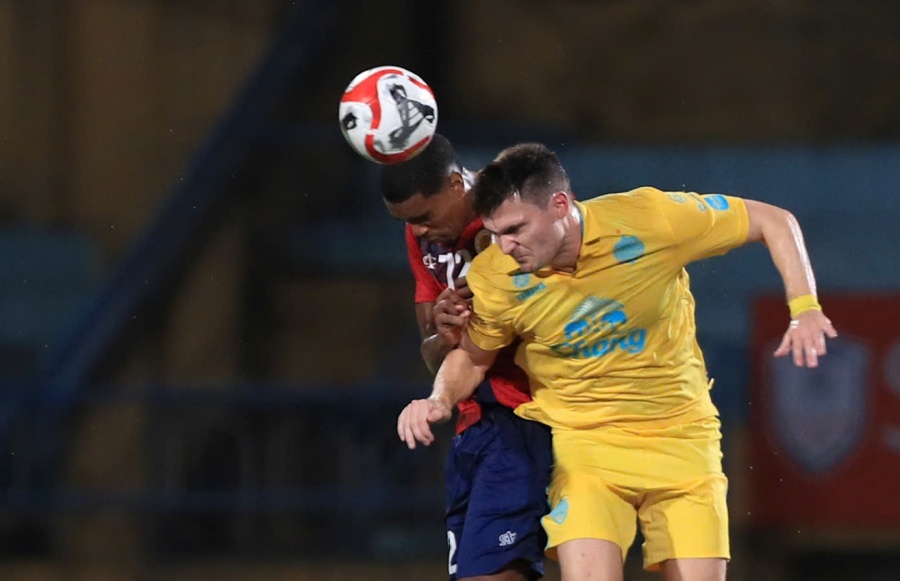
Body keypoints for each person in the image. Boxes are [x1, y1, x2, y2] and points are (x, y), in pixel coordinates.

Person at [397, 143, 838, 581]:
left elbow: (773, 220)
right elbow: (473, 358)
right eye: (494, 233)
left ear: (560, 205)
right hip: (586, 452)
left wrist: (805, 308)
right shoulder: (495, 275)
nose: (504, 246)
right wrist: (438, 400)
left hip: (682, 441)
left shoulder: (650, 219)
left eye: (515, 229)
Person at [382, 134, 553, 581]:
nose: (417, 230)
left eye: (423, 216)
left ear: (457, 185)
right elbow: (433, 355)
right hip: (473, 424)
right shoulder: (422, 237)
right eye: (406, 222)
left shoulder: (515, 222)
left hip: (527, 418)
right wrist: (443, 332)